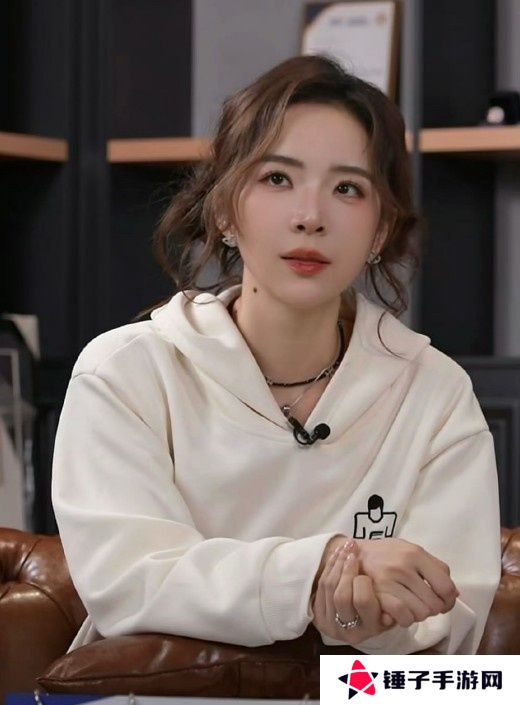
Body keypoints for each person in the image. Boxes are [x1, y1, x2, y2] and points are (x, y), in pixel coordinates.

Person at [51, 54, 501, 656]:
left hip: (361, 695)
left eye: (348, 188)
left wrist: (370, 624)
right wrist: (316, 573)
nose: (310, 217)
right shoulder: (125, 371)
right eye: (277, 179)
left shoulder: (435, 392)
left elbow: (452, 626)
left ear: (381, 229)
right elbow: (130, 583)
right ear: (223, 209)